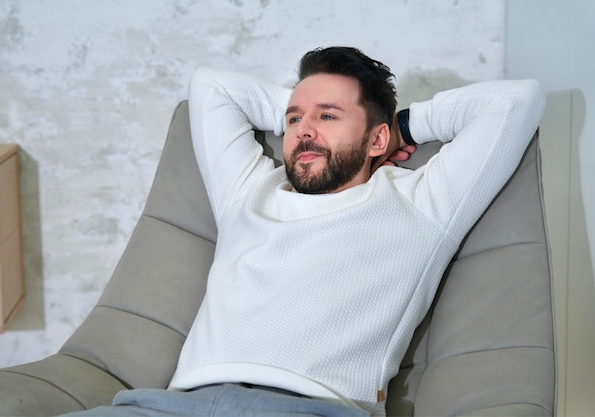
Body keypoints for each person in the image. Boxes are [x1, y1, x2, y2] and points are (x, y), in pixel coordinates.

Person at [65, 47, 545, 416]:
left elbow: (517, 101)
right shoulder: (249, 191)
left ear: (377, 140)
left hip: (310, 408)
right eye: (293, 119)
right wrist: (317, 113)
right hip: (175, 404)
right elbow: (210, 86)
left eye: (328, 116)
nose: (302, 131)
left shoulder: (419, 203)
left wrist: (401, 124)